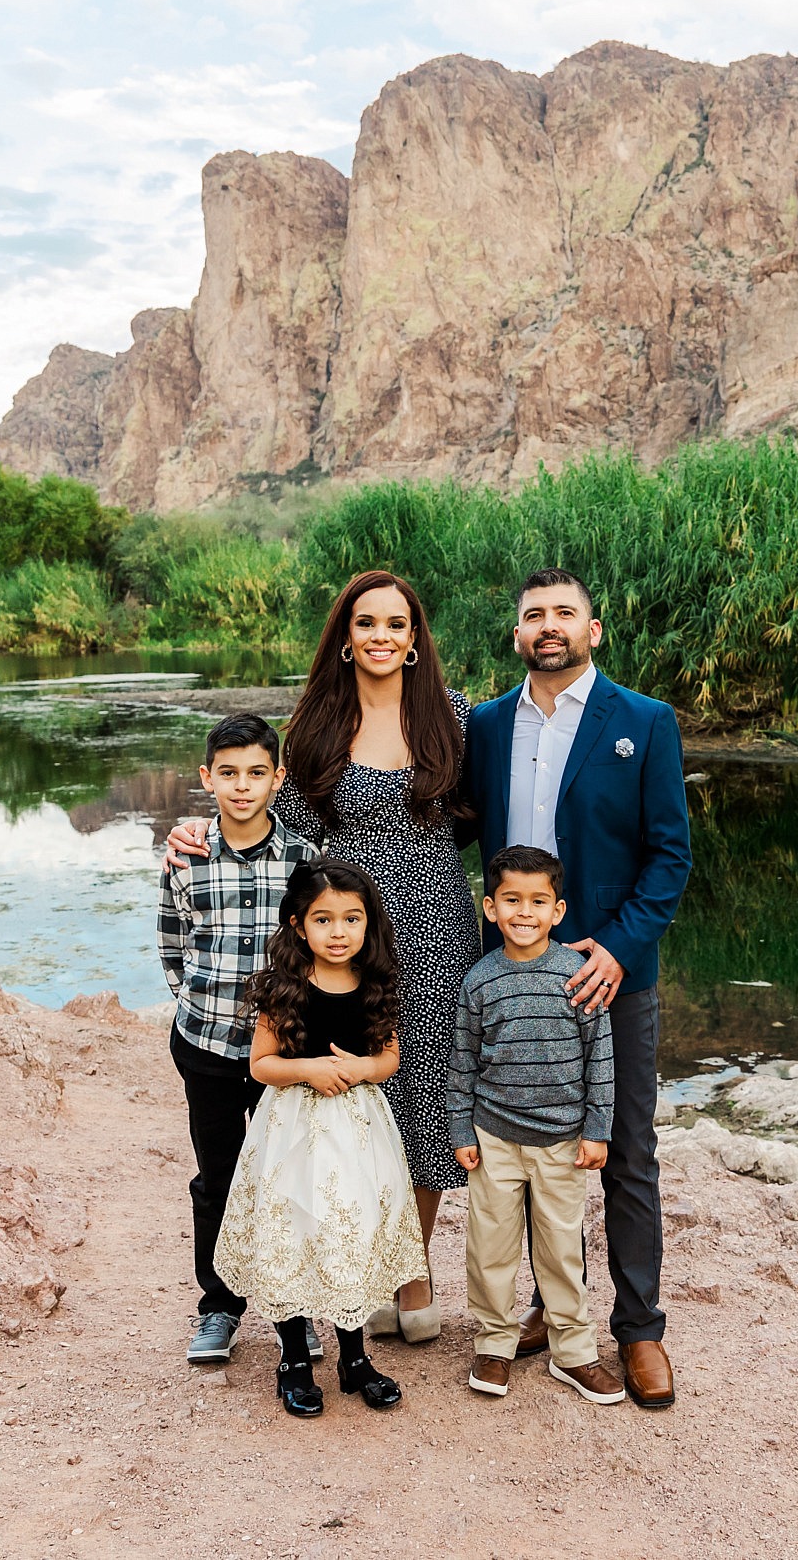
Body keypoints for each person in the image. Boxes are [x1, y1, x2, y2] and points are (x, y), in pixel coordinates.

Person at [166, 569, 479, 1342]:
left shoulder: (456, 718)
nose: (381, 635)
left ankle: (413, 1269)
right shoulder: (314, 724)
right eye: (366, 622)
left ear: (414, 640)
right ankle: (356, 1259)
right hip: (348, 928)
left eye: (396, 624)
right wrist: (198, 829)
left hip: (439, 920)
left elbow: (488, 814)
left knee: (425, 1090)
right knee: (357, 1091)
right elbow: (270, 818)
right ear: (345, 635)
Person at [461, 567, 692, 1410]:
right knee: (524, 1149)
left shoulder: (645, 722)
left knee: (625, 1151)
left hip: (607, 978)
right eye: (533, 615)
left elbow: (671, 856)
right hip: (511, 979)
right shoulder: (484, 726)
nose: (548, 625)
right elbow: (417, 813)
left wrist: (621, 950)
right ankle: (550, 1311)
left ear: (595, 628)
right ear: (517, 633)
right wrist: (236, 823)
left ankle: (640, 1331)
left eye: (565, 613)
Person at [212, 857, 425, 1418]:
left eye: (351, 919)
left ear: (367, 923)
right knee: (293, 1228)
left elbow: (389, 1059)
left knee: (349, 1229)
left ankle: (355, 1359)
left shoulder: (375, 982)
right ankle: (295, 1360)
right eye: (324, 919)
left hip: (357, 1128)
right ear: (297, 924)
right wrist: (307, 1068)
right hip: (292, 1130)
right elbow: (260, 1066)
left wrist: (358, 1069)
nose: (338, 932)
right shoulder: (286, 989)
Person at [155, 713, 316, 1367]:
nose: (242, 786)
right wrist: (200, 1000)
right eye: (228, 773)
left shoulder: (306, 857)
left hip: (285, 1053)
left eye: (256, 772)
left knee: (288, 1179)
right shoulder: (187, 857)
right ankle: (219, 1306)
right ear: (207, 777)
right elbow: (172, 943)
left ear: (278, 777)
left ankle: (294, 1313)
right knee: (217, 1178)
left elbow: (322, 944)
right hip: (209, 1047)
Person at [449, 844, 623, 1405]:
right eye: (511, 901)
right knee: (491, 1246)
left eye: (537, 901)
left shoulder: (577, 976)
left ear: (559, 909)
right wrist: (461, 1131)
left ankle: (573, 1352)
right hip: (494, 1136)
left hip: (562, 1142)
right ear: (490, 908)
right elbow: (463, 1061)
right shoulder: (479, 980)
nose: (524, 912)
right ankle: (495, 1343)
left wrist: (598, 1129)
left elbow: (600, 1056)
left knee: (560, 1250)